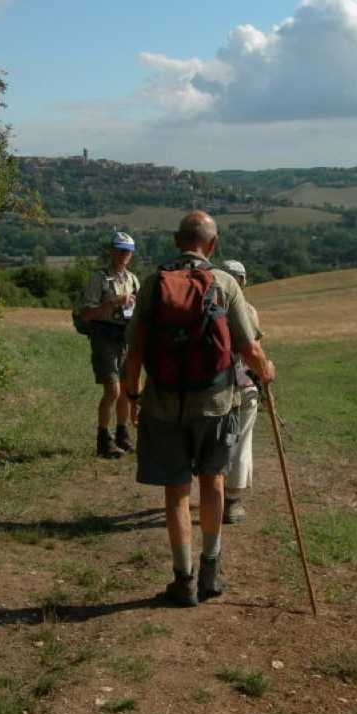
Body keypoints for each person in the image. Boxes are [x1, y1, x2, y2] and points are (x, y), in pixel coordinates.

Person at [123, 212, 276, 607]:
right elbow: (250, 348)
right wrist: (266, 372)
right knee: (213, 483)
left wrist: (132, 397)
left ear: (178, 241)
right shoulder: (224, 284)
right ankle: (211, 571)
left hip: (164, 403)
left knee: (176, 494)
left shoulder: (155, 284)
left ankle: (183, 580)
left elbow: (135, 351)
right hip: (217, 403)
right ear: (213, 243)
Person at [79, 232, 140, 458]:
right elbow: (86, 315)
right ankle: (103, 438)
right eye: (120, 249)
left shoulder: (132, 279)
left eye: (128, 251)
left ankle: (122, 435)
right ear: (111, 251)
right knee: (112, 390)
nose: (124, 254)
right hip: (103, 336)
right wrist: (114, 302)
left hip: (125, 336)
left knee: (125, 389)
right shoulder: (99, 279)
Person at [219, 260, 260, 525]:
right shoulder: (247, 310)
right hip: (241, 386)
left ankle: (216, 490)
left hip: (209, 389)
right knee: (239, 441)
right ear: (242, 282)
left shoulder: (201, 309)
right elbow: (253, 351)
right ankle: (232, 501)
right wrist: (265, 373)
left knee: (219, 441)